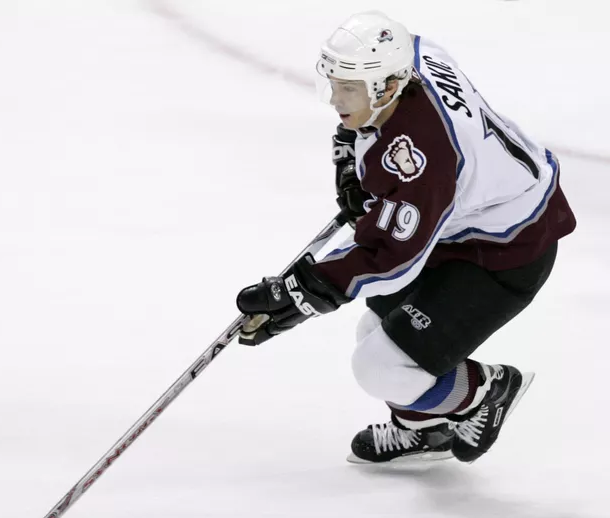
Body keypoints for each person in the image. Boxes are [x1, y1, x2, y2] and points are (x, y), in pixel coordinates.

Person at [235, 11, 576, 464]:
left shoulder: (421, 158)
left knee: (381, 367)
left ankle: (487, 390)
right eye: (335, 83)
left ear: (389, 86)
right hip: (468, 222)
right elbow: (382, 111)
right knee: (375, 329)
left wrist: (303, 290)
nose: (337, 97)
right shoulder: (410, 57)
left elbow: (389, 257)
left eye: (349, 89)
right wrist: (350, 156)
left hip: (507, 251)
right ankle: (424, 430)